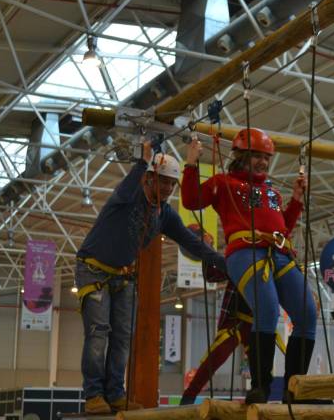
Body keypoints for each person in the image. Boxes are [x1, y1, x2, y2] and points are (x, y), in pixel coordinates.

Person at [76, 141, 229, 414]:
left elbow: (192, 243)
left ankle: (114, 393)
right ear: (148, 179)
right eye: (164, 182)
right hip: (94, 270)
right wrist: (141, 161)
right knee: (99, 333)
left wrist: (224, 263)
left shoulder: (164, 214)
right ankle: (94, 395)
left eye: (172, 184)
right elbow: (128, 186)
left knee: (123, 336)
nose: (169, 189)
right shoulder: (126, 197)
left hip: (122, 276)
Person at [182, 128, 317, 404]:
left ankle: (295, 390)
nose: (263, 163)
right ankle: (260, 387)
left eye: (266, 158)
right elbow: (191, 200)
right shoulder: (224, 183)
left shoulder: (271, 192)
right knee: (266, 309)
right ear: (241, 156)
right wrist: (191, 164)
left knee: (308, 313)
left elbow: (284, 228)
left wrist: (296, 201)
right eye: (257, 156)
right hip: (244, 252)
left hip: (278, 252)